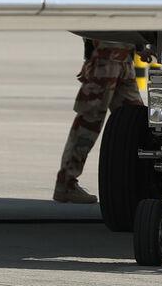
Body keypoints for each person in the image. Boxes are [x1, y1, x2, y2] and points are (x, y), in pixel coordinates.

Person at [53, 38, 143, 204]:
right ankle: (66, 183)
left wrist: (139, 45)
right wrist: (91, 58)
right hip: (106, 61)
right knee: (88, 123)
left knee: (136, 123)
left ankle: (137, 185)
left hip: (124, 59)